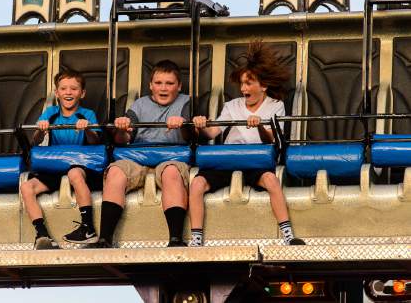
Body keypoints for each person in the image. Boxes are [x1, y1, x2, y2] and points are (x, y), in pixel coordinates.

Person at [189, 41, 305, 247]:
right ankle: (196, 238)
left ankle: (288, 234)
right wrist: (200, 126)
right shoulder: (231, 106)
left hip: (255, 161)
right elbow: (213, 132)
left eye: (248, 83)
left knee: (271, 180)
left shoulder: (275, 106)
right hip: (229, 159)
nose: (243, 88)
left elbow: (272, 139)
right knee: (197, 183)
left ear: (263, 86)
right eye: (242, 84)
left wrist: (259, 126)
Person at [92, 60, 191, 248]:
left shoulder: (186, 102)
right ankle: (105, 239)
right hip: (138, 157)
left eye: (169, 83)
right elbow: (123, 139)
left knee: (172, 173)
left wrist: (183, 124)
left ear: (178, 86)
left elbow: (192, 136)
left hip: (172, 156)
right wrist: (122, 128)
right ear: (151, 85)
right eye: (158, 83)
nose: (163, 88)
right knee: (115, 172)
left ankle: (176, 239)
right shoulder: (139, 104)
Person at [20, 70, 101, 250]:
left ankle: (88, 228)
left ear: (82, 93)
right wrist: (41, 129)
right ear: (57, 93)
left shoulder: (87, 114)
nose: (68, 92)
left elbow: (96, 141)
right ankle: (42, 235)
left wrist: (87, 129)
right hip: (56, 166)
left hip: (81, 164)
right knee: (26, 186)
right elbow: (35, 141)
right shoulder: (50, 112)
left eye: (74, 88)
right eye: (63, 88)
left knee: (74, 173)